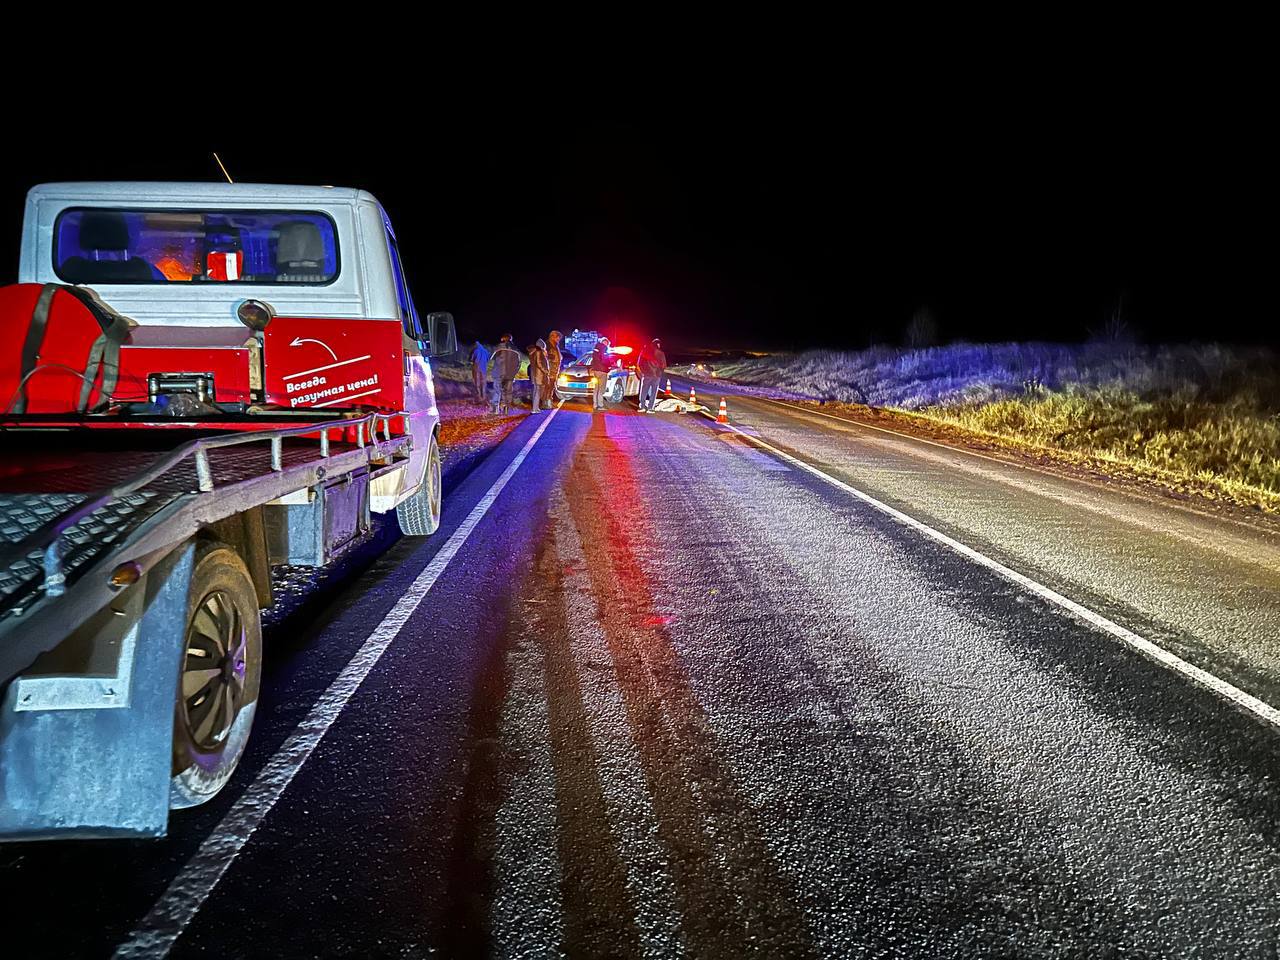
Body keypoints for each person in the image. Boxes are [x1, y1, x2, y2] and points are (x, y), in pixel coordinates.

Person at [487, 335, 521, 414]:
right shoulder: (516, 349)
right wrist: (514, 372)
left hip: (499, 372)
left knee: (497, 390)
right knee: (508, 392)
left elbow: (491, 357)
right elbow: (518, 364)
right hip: (510, 375)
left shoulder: (499, 347)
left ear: (504, 339)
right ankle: (506, 409)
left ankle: (495, 409)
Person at [636, 337, 667, 412]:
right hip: (657, 376)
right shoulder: (661, 353)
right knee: (653, 391)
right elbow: (664, 365)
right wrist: (659, 371)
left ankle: (642, 407)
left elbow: (639, 363)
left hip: (647, 374)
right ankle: (650, 408)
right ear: (658, 345)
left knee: (644, 390)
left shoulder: (645, 351)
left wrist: (644, 372)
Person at [527, 338, 550, 412]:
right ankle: (534, 409)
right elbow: (539, 363)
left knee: (536, 391)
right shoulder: (539, 352)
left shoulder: (533, 352)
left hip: (535, 374)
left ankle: (536, 408)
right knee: (537, 391)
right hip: (539, 374)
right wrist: (545, 371)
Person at [588, 337, 611, 410]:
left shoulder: (595, 349)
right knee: (601, 389)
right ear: (605, 343)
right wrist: (608, 366)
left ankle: (595, 405)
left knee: (596, 388)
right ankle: (600, 406)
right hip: (602, 371)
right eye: (607, 343)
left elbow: (593, 360)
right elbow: (605, 359)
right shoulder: (604, 349)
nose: (607, 345)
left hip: (595, 371)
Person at [545, 330, 563, 409]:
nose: (558, 339)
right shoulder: (548, 345)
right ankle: (547, 404)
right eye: (557, 338)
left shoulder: (555, 345)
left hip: (554, 370)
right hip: (550, 371)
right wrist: (550, 357)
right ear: (553, 337)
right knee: (548, 388)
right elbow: (545, 356)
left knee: (551, 388)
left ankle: (549, 403)